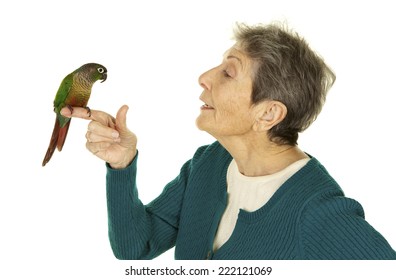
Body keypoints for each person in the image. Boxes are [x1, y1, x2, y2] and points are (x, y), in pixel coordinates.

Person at [61, 23, 396, 260]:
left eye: (228, 72)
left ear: (268, 114)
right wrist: (121, 167)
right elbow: (136, 248)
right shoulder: (208, 164)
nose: (205, 77)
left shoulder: (319, 214)